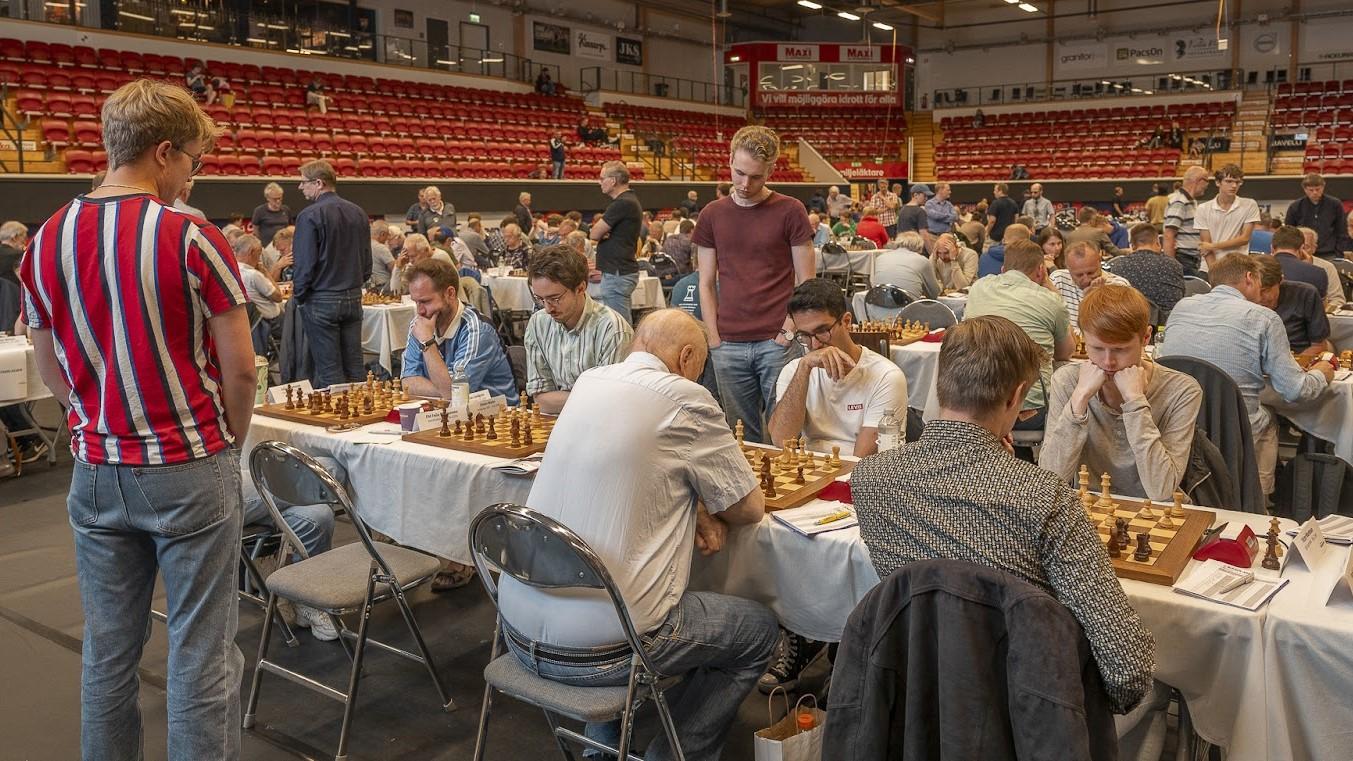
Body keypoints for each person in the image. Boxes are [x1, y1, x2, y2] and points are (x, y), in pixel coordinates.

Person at [20, 78, 255, 759]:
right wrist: (227, 440)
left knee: (107, 653)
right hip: (186, 464)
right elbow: (239, 368)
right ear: (163, 153)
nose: (192, 175)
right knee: (201, 654)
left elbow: (50, 366)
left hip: (96, 468)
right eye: (193, 160)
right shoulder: (190, 235)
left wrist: (91, 416)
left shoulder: (46, 240)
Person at [497, 308, 776, 761]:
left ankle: (599, 751)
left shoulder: (588, 382)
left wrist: (694, 504)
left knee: (611, 582)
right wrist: (706, 504)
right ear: (688, 358)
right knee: (758, 631)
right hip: (604, 656)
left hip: (515, 634)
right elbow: (748, 508)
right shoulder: (685, 397)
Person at [851, 315, 1154, 714]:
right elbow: (1127, 671)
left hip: (922, 691)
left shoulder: (870, 479)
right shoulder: (1044, 497)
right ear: (1016, 396)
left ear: (941, 386)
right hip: (1027, 705)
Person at [1160, 254, 1333, 495]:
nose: (1263, 295)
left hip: (1179, 421)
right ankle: (1257, 499)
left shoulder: (1181, 307)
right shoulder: (1264, 318)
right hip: (1235, 428)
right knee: (1268, 417)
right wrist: (1322, 373)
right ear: (1250, 278)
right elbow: (1295, 391)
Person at [695, 126, 815, 444]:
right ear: (730, 159)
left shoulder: (790, 210)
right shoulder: (711, 215)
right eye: (739, 173)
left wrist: (787, 332)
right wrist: (714, 338)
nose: (746, 184)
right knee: (741, 441)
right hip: (728, 344)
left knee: (787, 437)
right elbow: (705, 282)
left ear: (771, 171)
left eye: (756, 177)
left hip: (777, 343)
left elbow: (807, 282)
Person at [1040, 285, 1202, 501]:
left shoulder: (1182, 391)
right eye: (1096, 348)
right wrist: (1079, 399)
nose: (1108, 361)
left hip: (1155, 514)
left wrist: (1135, 402)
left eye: (1120, 349)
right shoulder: (1068, 380)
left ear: (1146, 337)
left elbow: (1161, 489)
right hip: (1090, 510)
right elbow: (1051, 479)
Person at [768, 278, 908, 458]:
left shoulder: (886, 376)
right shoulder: (794, 370)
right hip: (809, 472)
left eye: (823, 331)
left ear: (847, 321)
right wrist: (804, 368)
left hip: (857, 478)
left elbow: (862, 461)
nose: (815, 344)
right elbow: (781, 440)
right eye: (804, 335)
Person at [966, 239, 1073, 432]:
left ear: (1003, 269)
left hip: (976, 404)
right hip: (1028, 411)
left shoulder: (978, 287)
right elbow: (1065, 354)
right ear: (1041, 270)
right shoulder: (1050, 300)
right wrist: (1050, 286)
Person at [240, 454, 343, 640]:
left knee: (318, 516)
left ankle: (306, 599)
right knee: (329, 469)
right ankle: (276, 575)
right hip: (196, 488)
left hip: (224, 473)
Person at [524, 245, 633, 414]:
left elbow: (610, 402)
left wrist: (560, 398)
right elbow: (541, 400)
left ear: (581, 288)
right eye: (540, 299)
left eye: (555, 298)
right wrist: (589, 396)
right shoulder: (538, 323)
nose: (547, 308)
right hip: (557, 424)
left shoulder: (612, 330)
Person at [292, 159, 372, 388]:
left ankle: (340, 422)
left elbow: (304, 265)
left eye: (303, 182)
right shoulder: (358, 212)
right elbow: (367, 262)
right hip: (353, 296)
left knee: (329, 372)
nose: (300, 187)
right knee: (355, 368)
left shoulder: (309, 216)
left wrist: (299, 296)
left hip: (321, 299)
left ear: (318, 183)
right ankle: (362, 419)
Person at [400, 258, 518, 403]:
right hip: (447, 413)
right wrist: (444, 389)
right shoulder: (420, 323)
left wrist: (427, 343)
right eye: (415, 302)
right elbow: (407, 384)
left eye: (425, 301)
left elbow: (453, 393)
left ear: (450, 293)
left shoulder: (478, 330)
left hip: (497, 419)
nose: (420, 311)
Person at [589, 161, 644, 324]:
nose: (599, 183)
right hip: (619, 271)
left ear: (613, 181)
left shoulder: (623, 202)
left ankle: (625, 351)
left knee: (619, 326)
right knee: (619, 323)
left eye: (602, 178)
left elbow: (594, 232)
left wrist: (603, 232)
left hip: (617, 272)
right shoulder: (628, 200)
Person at [1254, 254, 1331, 355]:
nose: (1259, 297)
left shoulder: (1306, 294)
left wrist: (1291, 367)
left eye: (1266, 290)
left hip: (1299, 358)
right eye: (1256, 291)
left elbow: (1318, 345)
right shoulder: (1241, 298)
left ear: (1281, 280)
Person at [1049, 241, 1130, 333]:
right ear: (1068, 268)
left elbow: (1115, 331)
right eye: (1079, 275)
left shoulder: (1119, 285)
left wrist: (1096, 299)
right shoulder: (1058, 279)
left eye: (1091, 273)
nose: (1086, 279)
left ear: (1100, 262)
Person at [1194, 164, 1259, 272]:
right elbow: (1206, 244)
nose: (1234, 186)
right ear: (1218, 182)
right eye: (1229, 181)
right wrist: (1215, 272)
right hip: (1209, 268)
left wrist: (1213, 246)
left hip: (1238, 267)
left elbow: (1244, 239)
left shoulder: (1250, 204)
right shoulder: (1203, 208)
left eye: (1237, 182)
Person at [1108, 223, 1186, 312]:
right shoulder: (1174, 265)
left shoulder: (1118, 266)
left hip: (1130, 322)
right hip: (1167, 323)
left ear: (1132, 246)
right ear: (1158, 244)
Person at [1284, 173, 1353, 259]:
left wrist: (1339, 253)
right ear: (1305, 189)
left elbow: (1342, 230)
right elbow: (1289, 232)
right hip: (1304, 252)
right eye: (1311, 190)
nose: (1315, 193)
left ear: (1323, 187)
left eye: (1318, 189)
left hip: (1330, 253)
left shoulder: (1335, 204)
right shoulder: (1295, 206)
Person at [1163, 165, 1210, 278]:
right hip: (1183, 260)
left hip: (1190, 260)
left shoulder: (1190, 201)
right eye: (1207, 181)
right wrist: (1172, 267)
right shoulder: (1180, 202)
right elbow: (1169, 235)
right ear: (1199, 181)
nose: (1207, 185)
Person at [875, 231, 940, 299]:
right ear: (919, 246)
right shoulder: (922, 261)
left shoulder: (880, 258)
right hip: (907, 306)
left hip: (878, 304)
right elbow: (934, 294)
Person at [1270, 225, 1330, 296]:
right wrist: (1309, 268)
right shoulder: (1318, 273)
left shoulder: (1259, 268)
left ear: (1271, 248)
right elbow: (1321, 306)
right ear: (1301, 248)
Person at [1297, 225, 1345, 308]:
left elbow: (1338, 300)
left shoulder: (1327, 267)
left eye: (1306, 247)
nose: (1301, 252)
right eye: (1297, 247)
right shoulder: (1284, 264)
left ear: (1314, 248)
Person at [250, 181, 291, 247]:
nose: (278, 201)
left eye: (280, 198)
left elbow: (289, 227)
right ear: (268, 198)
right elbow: (255, 230)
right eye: (275, 199)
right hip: (266, 246)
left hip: (284, 246)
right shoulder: (259, 211)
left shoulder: (286, 209)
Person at [368, 219, 395, 291]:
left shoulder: (363, 246)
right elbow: (395, 269)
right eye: (387, 234)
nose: (388, 238)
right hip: (384, 288)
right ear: (382, 234)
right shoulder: (381, 248)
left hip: (369, 287)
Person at [0, 220, 24, 286]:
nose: (25, 242)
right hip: (12, 294)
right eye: (24, 238)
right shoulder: (19, 254)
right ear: (15, 237)